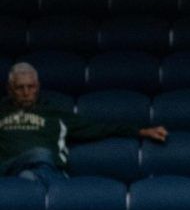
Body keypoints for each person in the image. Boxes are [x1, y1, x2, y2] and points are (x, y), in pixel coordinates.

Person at [0, 63, 167, 187]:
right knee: (38, 154)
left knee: (31, 172)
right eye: (20, 88)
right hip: (6, 171)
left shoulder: (55, 114)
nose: (26, 92)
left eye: (31, 87)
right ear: (10, 89)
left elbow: (100, 129)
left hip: (46, 172)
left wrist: (141, 131)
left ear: (38, 87)